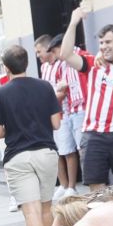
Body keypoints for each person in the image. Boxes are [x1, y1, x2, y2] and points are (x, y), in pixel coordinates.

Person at [0, 43, 63, 226]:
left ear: (6, 67)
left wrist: (13, 127)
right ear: (27, 63)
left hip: (18, 157)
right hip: (46, 153)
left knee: (31, 212)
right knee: (46, 209)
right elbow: (56, 123)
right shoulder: (45, 87)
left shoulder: (0, 93)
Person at [61, 14, 113, 192]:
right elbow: (65, 54)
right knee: (96, 187)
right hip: (94, 135)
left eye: (108, 42)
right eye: (101, 43)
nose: (104, 46)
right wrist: (73, 22)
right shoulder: (93, 63)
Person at [39, 17, 87, 197]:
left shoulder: (79, 59)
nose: (39, 55)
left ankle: (74, 186)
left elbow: (64, 90)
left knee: (77, 150)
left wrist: (51, 100)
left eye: (40, 51)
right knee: (59, 149)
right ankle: (65, 185)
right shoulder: (52, 67)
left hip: (74, 110)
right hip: (64, 112)